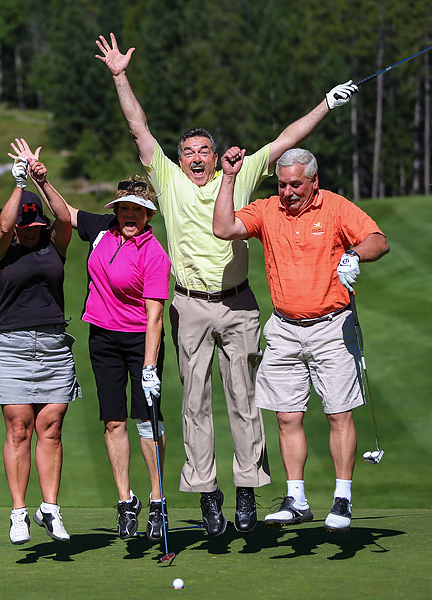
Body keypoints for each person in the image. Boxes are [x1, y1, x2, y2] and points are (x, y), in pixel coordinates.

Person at [95, 31, 359, 535]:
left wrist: (326, 103)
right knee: (194, 404)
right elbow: (137, 127)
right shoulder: (168, 180)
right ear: (179, 158)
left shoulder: (236, 175)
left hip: (238, 304)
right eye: (188, 150)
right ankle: (208, 495)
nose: (196, 157)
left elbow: (287, 140)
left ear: (216, 157)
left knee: (244, 400)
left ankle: (245, 492)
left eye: (204, 150)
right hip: (189, 305)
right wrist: (120, 76)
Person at [212, 146, 389, 532]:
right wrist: (227, 178)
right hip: (285, 328)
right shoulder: (266, 210)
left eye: (296, 184)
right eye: (282, 185)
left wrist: (355, 255)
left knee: (338, 412)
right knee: (287, 415)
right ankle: (297, 498)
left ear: (314, 181)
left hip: (332, 325)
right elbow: (223, 228)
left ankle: (342, 497)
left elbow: (378, 239)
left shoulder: (336, 208)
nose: (288, 192)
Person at [27, 155, 172, 541]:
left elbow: (155, 316)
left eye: (136, 210)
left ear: (147, 215)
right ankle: (126, 501)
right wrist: (41, 180)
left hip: (142, 341)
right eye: (123, 208)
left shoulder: (155, 254)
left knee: (147, 423)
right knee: (113, 421)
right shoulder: (103, 230)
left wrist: (149, 366)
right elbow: (67, 213)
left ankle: (157, 500)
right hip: (103, 338)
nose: (128, 215)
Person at [0, 139, 81, 545]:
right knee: (19, 428)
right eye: (28, 228)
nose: (34, 232)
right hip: (11, 346)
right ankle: (19, 512)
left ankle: (51, 510)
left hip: (54, 345)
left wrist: (42, 179)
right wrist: (18, 184)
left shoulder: (54, 245)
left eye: (37, 227)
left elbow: (66, 220)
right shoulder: (2, 252)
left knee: (51, 427)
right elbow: (3, 228)